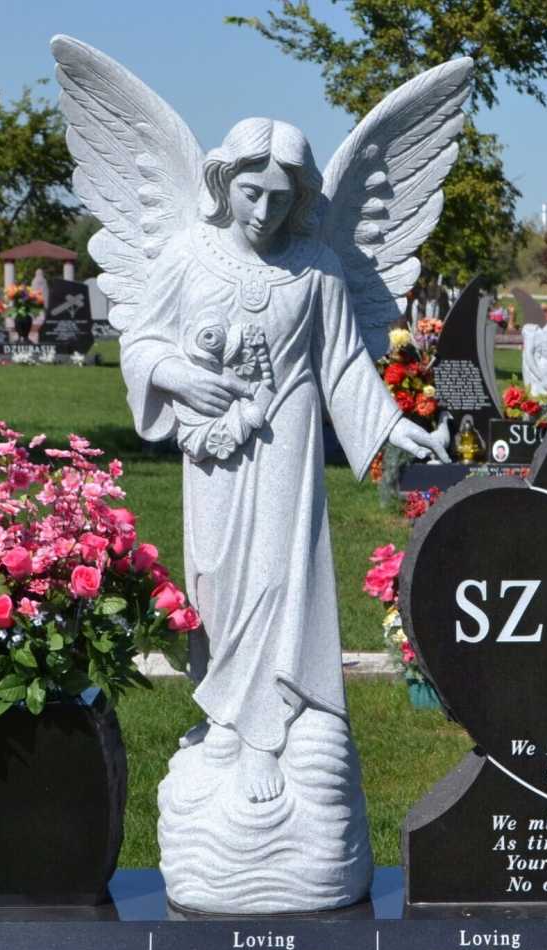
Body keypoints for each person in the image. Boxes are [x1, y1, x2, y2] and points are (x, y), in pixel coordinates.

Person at [118, 118, 447, 801]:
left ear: (298, 197)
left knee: (276, 579)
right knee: (217, 583)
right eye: (250, 192)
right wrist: (179, 378)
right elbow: (142, 342)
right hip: (213, 449)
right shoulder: (189, 254)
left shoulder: (316, 265)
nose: (263, 211)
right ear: (222, 181)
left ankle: (270, 732)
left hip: (287, 445)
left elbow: (343, 364)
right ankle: (225, 719)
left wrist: (393, 429)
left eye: (278, 197)